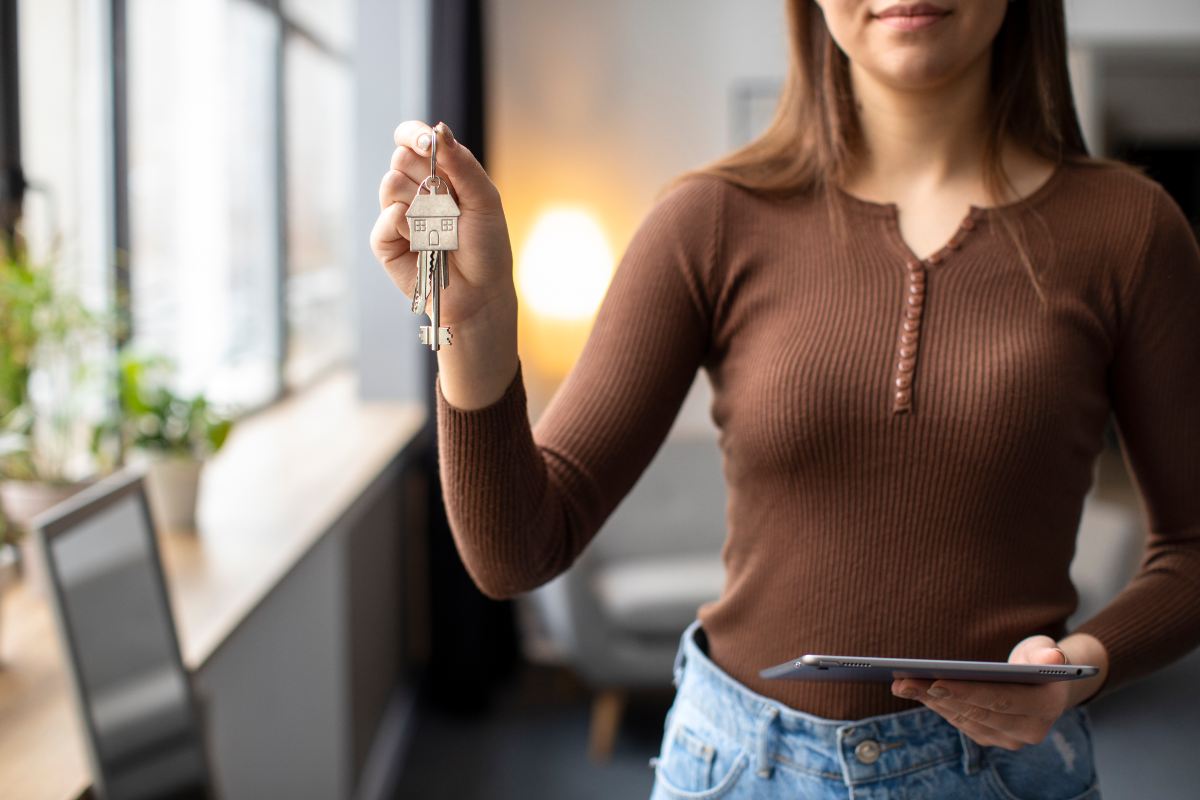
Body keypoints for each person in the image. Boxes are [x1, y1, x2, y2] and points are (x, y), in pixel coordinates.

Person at [371, 1, 1200, 796]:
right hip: (736, 768)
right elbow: (515, 553)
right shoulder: (708, 221)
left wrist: (1081, 665)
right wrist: (471, 337)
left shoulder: (1130, 231)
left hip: (1002, 779)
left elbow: (1191, 549)